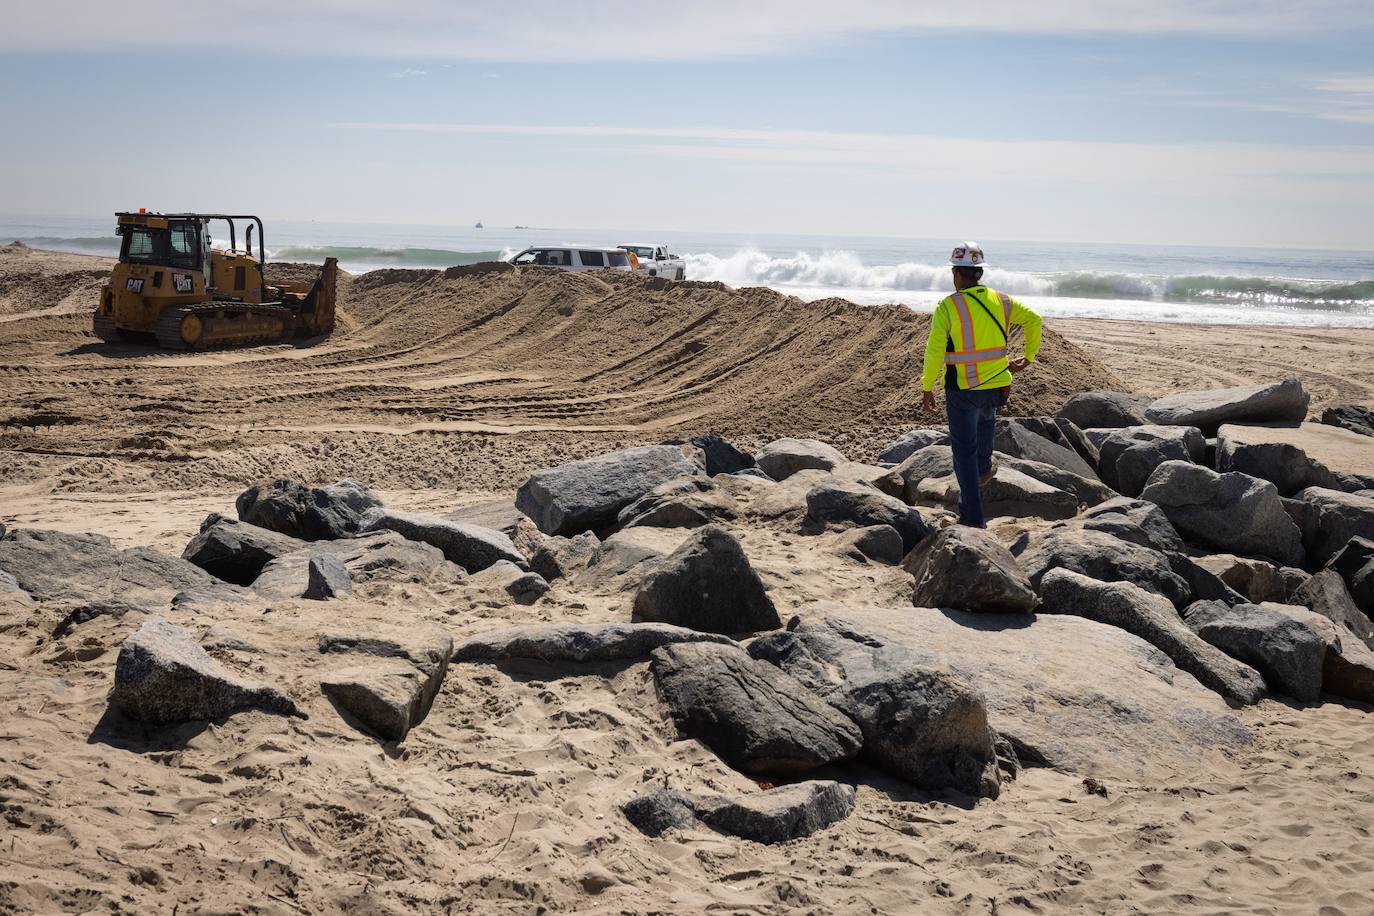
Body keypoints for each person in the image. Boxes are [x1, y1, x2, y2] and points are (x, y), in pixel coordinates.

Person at [920, 242, 1042, 528]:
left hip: (963, 389)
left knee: (964, 453)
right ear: (978, 273)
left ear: (955, 273)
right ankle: (985, 469)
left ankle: (972, 518)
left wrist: (928, 386)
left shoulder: (948, 306)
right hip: (997, 385)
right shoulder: (1002, 300)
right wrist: (1030, 357)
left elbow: (934, 351)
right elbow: (1034, 320)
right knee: (985, 433)